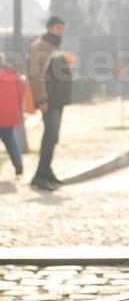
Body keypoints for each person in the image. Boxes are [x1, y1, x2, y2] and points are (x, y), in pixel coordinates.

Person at [27, 16, 73, 191]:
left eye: (62, 28)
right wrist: (41, 99)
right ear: (50, 28)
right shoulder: (40, 46)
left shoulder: (54, 46)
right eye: (58, 28)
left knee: (53, 137)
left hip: (58, 100)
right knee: (49, 136)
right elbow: (36, 76)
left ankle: (47, 171)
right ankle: (40, 176)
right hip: (49, 100)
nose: (60, 32)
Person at [0, 52, 23, 178]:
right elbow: (20, 95)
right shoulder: (12, 75)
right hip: (9, 114)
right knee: (10, 140)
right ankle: (17, 162)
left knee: (9, 139)